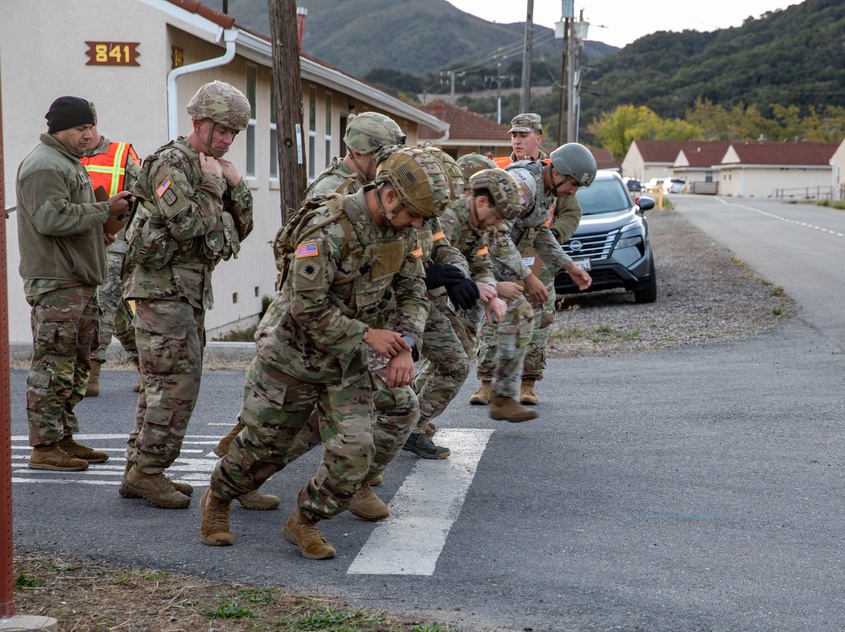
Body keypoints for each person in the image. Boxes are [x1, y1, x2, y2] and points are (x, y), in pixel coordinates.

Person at [199, 146, 451, 559]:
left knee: (355, 450)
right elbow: (306, 308)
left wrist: (406, 345)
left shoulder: (403, 231)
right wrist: (368, 334)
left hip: (345, 361)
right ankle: (219, 498)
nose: (418, 224)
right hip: (292, 357)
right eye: (414, 215)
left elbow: (413, 293)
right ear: (389, 197)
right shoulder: (327, 228)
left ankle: (305, 521)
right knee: (264, 448)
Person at [118, 80, 254, 509]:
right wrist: (215, 190)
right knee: (176, 384)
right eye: (221, 130)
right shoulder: (171, 164)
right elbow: (190, 226)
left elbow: (241, 228)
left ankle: (140, 471)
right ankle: (147, 472)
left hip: (187, 292)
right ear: (199, 123)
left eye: (234, 132)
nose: (228, 139)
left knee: (160, 384)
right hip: (160, 291)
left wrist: (236, 185)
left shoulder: (212, 166)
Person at [16, 96, 131, 471]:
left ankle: (63, 438)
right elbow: (50, 219)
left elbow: (69, 218)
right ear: (60, 128)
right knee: (53, 365)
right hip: (57, 282)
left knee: (75, 364)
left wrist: (99, 231)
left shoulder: (67, 162)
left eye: (91, 127)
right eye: (82, 128)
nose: (89, 135)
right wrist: (105, 211)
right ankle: (44, 447)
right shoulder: (44, 166)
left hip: (78, 279)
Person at [403, 165, 523, 458]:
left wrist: (490, 293)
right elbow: (421, 264)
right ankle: (410, 427)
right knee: (454, 362)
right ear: (482, 202)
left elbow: (481, 263)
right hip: (420, 301)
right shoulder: (449, 218)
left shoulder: (477, 225)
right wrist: (463, 283)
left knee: (454, 357)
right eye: (496, 215)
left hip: (442, 302)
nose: (496, 224)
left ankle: (408, 420)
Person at [471, 142, 597, 419]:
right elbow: (496, 233)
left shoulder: (546, 189)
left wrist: (567, 265)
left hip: (491, 258)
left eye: (577, 188)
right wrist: (528, 279)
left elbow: (538, 230)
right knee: (455, 342)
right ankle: (415, 418)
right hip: (472, 258)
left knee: (522, 316)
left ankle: (503, 397)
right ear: (559, 171)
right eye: (572, 184)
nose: (572, 192)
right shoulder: (525, 184)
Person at [81, 103, 141, 397]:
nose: (82, 134)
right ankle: (146, 362)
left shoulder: (121, 154)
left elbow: (143, 197)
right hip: (80, 241)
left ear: (94, 122)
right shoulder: (65, 157)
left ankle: (92, 374)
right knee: (116, 312)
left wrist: (117, 226)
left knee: (103, 301)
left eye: (84, 126)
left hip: (115, 243)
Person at [304, 111, 405, 198]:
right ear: (358, 152)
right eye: (382, 158)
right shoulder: (331, 190)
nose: (388, 165)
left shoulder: (362, 183)